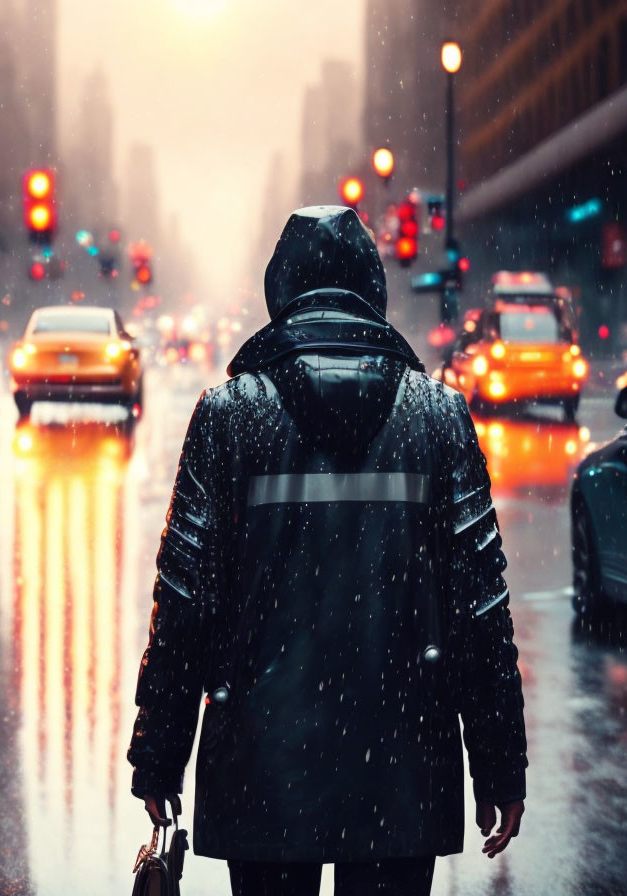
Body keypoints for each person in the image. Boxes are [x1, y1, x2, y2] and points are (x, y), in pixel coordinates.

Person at [127, 206, 527, 896]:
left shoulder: (229, 416)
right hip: (401, 772)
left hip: (261, 771)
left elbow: (184, 601)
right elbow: (480, 610)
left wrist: (159, 755)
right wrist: (498, 764)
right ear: (372, 290)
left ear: (280, 290)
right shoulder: (438, 417)